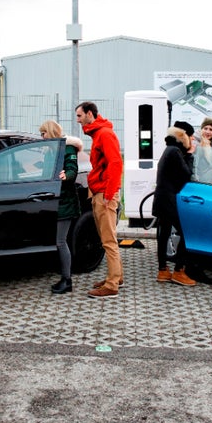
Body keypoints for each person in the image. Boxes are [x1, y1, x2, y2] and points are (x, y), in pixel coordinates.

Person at [75, 101, 124, 298]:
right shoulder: (99, 133)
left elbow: (115, 163)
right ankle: (116, 276)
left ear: (89, 113)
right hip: (102, 192)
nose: (78, 120)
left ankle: (112, 285)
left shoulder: (104, 134)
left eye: (79, 116)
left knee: (108, 240)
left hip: (105, 194)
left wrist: (109, 194)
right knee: (108, 238)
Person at [39, 120, 83, 295]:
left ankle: (67, 280)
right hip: (54, 200)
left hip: (65, 201)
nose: (42, 137)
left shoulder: (68, 149)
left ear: (50, 132)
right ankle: (63, 276)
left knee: (60, 241)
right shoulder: (51, 150)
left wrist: (67, 176)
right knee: (57, 241)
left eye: (43, 133)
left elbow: (72, 170)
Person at [152, 122, 197, 286]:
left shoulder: (170, 149)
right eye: (190, 137)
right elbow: (186, 174)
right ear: (183, 136)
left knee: (164, 234)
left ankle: (163, 270)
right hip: (169, 200)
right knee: (186, 233)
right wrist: (191, 154)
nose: (192, 140)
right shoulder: (176, 151)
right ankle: (179, 271)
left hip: (162, 198)